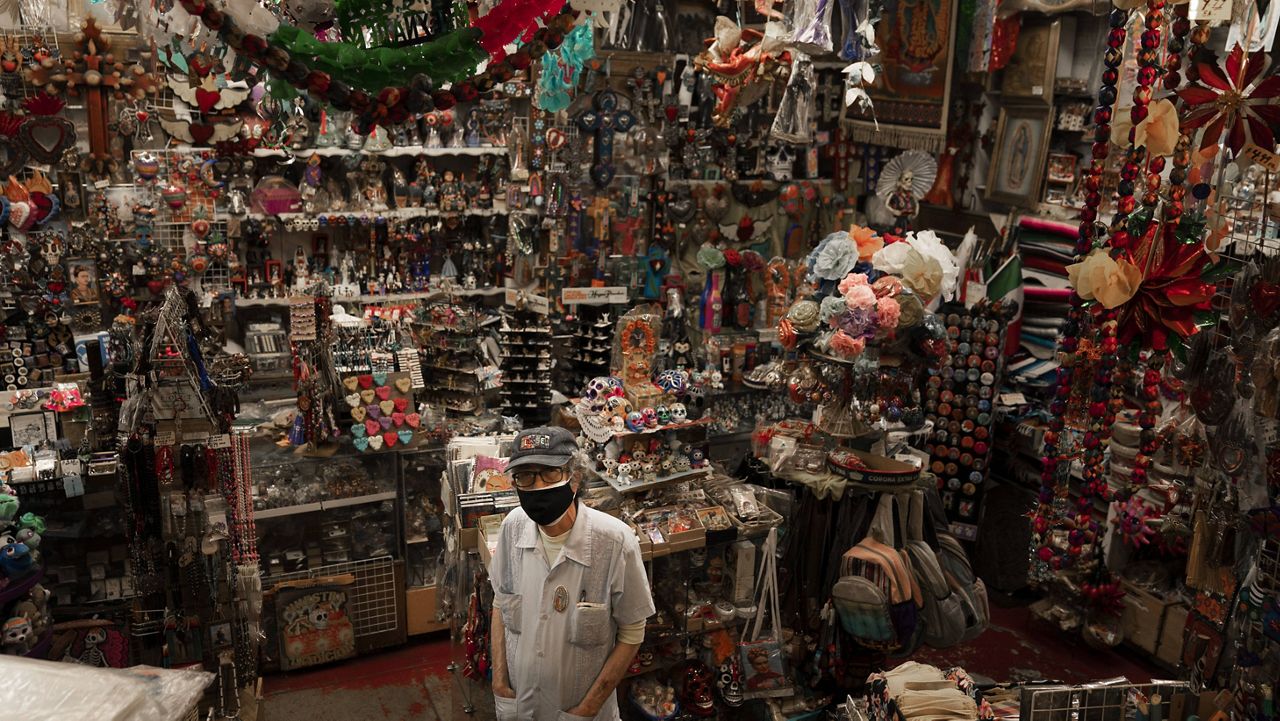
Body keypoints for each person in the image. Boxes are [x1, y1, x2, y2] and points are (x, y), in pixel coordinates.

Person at [489, 426, 655, 721]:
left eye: (550, 473)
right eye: (525, 476)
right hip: (519, 705)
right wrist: (499, 682)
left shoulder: (615, 542)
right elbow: (500, 604)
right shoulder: (512, 528)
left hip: (582, 712)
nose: (537, 486)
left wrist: (588, 708)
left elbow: (632, 633)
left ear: (575, 478)